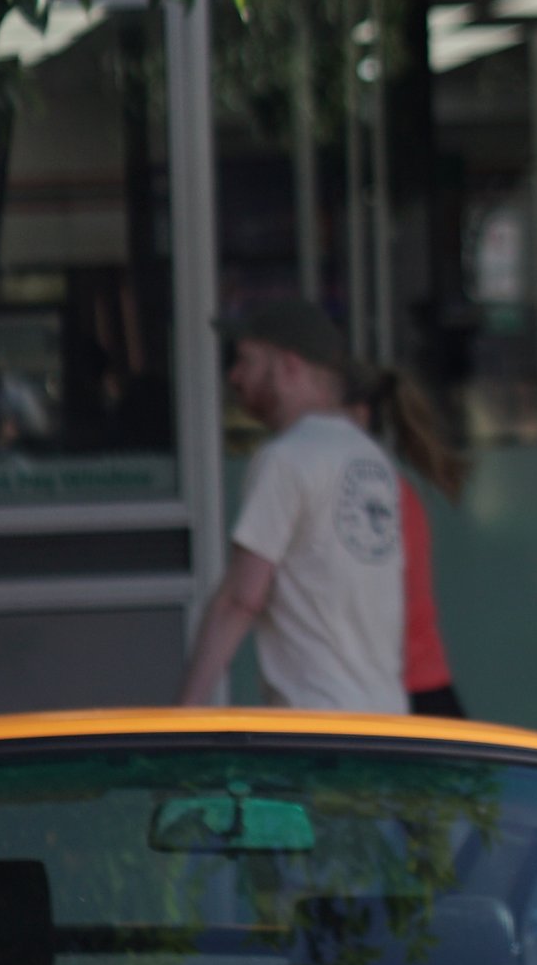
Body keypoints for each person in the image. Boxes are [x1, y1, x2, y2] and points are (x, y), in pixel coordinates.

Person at [176, 298, 406, 713]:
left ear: (288, 366)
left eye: (246, 361)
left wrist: (184, 711)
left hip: (317, 723)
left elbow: (241, 598)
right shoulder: (371, 460)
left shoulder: (287, 457)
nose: (234, 377)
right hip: (384, 718)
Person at [349, 360, 467, 715]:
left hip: (402, 689)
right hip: (421, 681)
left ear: (359, 414)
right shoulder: (398, 490)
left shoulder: (370, 495)